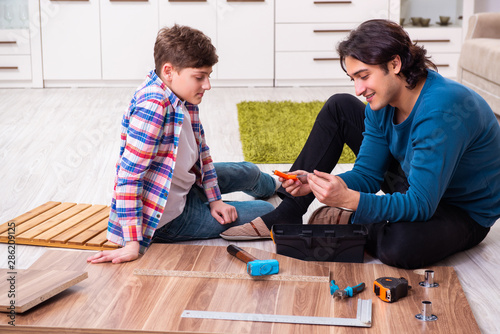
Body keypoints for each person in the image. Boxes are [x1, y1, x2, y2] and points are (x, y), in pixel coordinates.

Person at [221, 19, 500, 269]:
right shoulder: (380, 104)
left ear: (395, 64)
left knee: (400, 247)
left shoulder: (441, 109)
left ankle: (353, 223)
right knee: (339, 106)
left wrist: (350, 202)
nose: (358, 89)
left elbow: (422, 204)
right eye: (353, 78)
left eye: (364, 76)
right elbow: (368, 174)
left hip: (460, 210)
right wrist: (319, 183)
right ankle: (291, 210)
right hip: (416, 180)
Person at [87, 25, 276, 264]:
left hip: (184, 186)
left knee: (249, 171)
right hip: (166, 217)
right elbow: (128, 177)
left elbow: (202, 153)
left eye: (208, 76)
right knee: (270, 213)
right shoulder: (153, 107)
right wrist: (133, 243)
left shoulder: (183, 96)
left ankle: (283, 184)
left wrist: (215, 198)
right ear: (169, 71)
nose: (207, 85)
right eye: (199, 77)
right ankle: (268, 199)